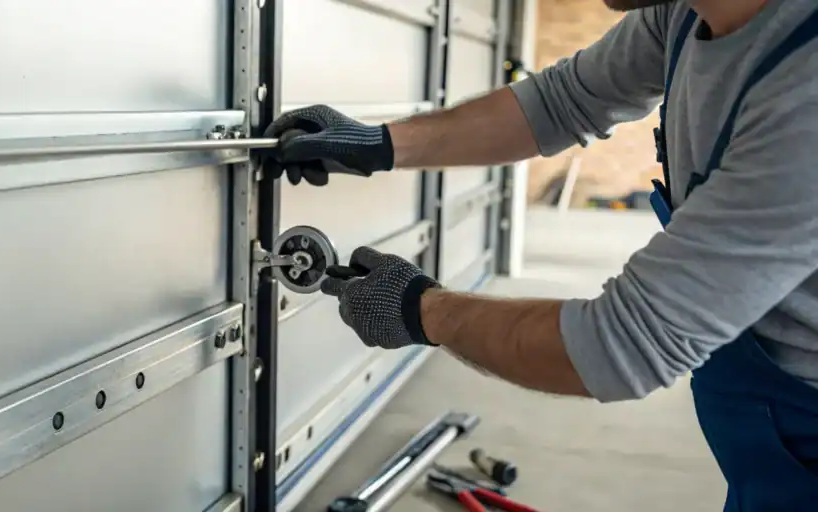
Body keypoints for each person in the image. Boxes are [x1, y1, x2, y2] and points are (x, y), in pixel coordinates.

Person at [262, 0, 818, 510]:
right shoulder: (682, 13)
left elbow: (621, 343)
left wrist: (419, 308)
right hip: (768, 427)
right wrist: (381, 145)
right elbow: (560, 102)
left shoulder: (805, 96)